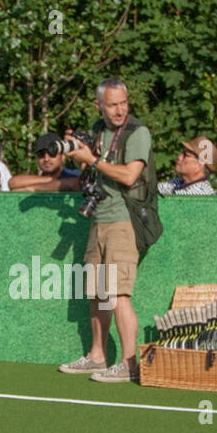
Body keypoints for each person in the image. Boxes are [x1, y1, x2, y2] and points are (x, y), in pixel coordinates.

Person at [59, 78, 155, 383]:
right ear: (98, 105)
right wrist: (75, 152)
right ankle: (97, 357)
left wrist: (93, 160)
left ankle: (129, 364)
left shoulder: (137, 132)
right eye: (112, 104)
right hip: (99, 218)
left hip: (124, 219)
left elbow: (129, 176)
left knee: (117, 293)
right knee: (98, 293)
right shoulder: (97, 129)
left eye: (123, 103)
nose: (119, 110)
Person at [8, 135, 82, 192]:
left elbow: (72, 184)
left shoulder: (75, 175)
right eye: (41, 154)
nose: (46, 159)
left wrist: (34, 189)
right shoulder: (39, 179)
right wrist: (52, 179)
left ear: (63, 156)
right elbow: (13, 182)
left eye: (52, 153)